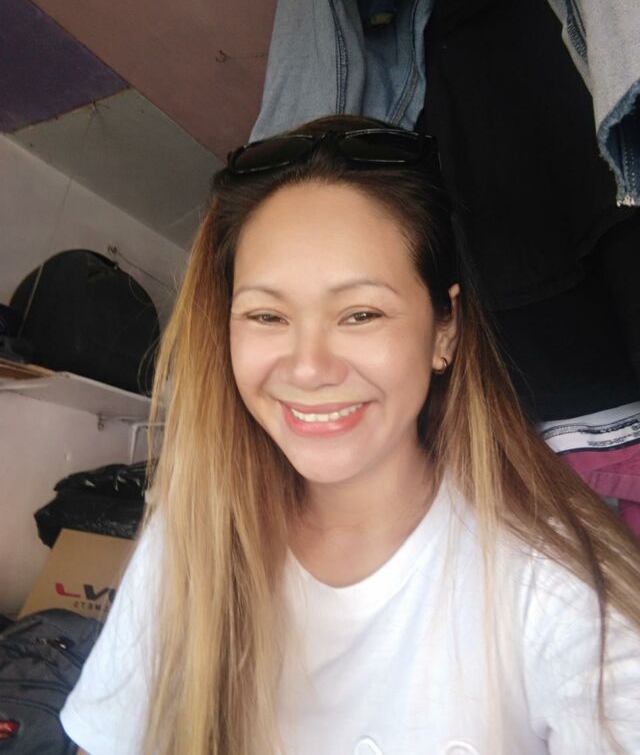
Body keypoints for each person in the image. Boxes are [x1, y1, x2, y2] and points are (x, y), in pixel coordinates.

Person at [61, 115, 640, 755]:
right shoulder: (192, 534)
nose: (309, 367)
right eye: (267, 315)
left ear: (444, 329)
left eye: (360, 313)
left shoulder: (564, 590)